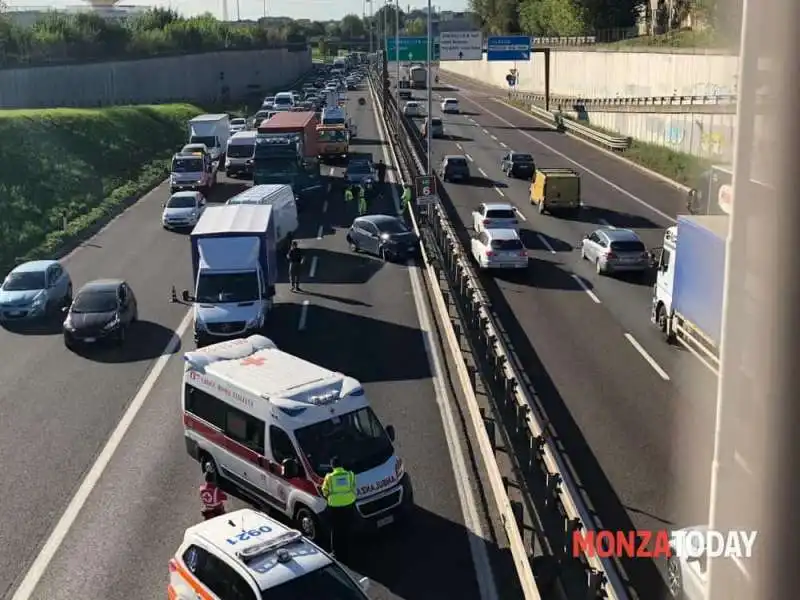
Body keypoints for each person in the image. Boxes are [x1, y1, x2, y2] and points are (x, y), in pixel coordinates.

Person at [321, 457, 356, 555]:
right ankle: (349, 549)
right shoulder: (350, 475)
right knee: (347, 527)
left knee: (336, 529)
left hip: (334, 506)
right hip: (349, 504)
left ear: (332, 466)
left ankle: (336, 551)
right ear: (342, 465)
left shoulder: (329, 477)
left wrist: (330, 497)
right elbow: (353, 487)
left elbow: (324, 491)